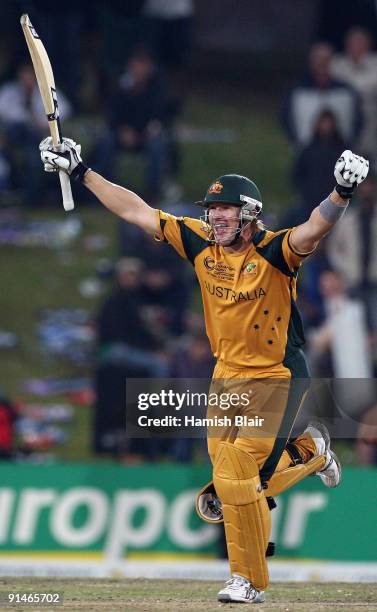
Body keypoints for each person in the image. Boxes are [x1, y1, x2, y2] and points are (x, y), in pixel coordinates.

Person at [39, 136, 368, 604]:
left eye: (225, 210)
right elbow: (137, 211)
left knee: (234, 477)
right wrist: (82, 171)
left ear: (249, 214)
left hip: (276, 374)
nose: (215, 217)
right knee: (228, 485)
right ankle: (311, 451)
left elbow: (313, 230)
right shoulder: (199, 244)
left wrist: (341, 193)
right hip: (225, 375)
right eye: (211, 210)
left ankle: (248, 581)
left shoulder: (275, 253)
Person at [281, 42, 363, 149]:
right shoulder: (298, 92)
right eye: (318, 60)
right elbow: (286, 118)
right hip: (306, 152)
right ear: (311, 63)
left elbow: (358, 120)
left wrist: (350, 142)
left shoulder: (346, 92)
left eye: (326, 60)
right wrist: (295, 140)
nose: (322, 64)